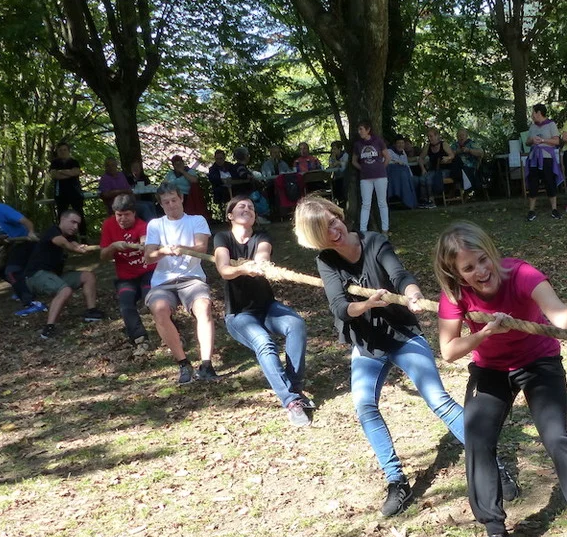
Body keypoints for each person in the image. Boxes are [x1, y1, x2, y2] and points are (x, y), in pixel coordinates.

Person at [432, 221, 567, 537]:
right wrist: (486, 333)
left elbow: (558, 311)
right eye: (468, 267)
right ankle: (496, 535)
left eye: (483, 259)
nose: (481, 271)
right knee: (477, 439)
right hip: (491, 369)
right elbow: (449, 350)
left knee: (557, 439)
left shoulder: (521, 274)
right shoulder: (455, 295)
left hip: (538, 362)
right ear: (456, 272)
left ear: (491, 252)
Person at [293, 196, 469, 516]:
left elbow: (400, 275)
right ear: (316, 237)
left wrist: (413, 294)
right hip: (367, 345)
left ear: (339, 214)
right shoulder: (327, 261)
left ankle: (490, 462)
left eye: (334, 220)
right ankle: (396, 481)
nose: (334, 230)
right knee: (364, 406)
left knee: (438, 399)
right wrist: (367, 304)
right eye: (324, 229)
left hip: (401, 335)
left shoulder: (373, 241)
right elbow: (339, 308)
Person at [214, 195, 314, 427]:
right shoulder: (222, 238)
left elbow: (263, 255)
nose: (247, 209)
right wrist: (242, 269)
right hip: (239, 314)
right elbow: (223, 269)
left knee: (296, 324)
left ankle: (295, 387)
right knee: (264, 343)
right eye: (241, 206)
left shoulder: (262, 236)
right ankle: (291, 401)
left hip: (267, 307)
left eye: (251, 207)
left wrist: (258, 265)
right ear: (230, 215)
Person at [143, 182, 217, 384]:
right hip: (163, 282)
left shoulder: (197, 220)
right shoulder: (155, 225)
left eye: (174, 200)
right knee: (159, 309)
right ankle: (183, 363)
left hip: (192, 278)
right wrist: (163, 251)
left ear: (181, 199)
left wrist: (183, 248)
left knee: (203, 307)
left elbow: (201, 248)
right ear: (161, 204)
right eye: (166, 202)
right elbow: (148, 257)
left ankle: (206, 364)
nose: (171, 205)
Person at [25, 208, 105, 339]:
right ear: (62, 219)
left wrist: (79, 247)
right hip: (36, 276)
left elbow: (73, 243)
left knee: (88, 276)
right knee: (65, 290)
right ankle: (48, 328)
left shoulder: (69, 237)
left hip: (54, 276)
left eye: (78, 224)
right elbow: (62, 242)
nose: (75, 227)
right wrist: (75, 248)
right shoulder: (53, 231)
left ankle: (91, 312)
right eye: (73, 222)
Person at [100, 194, 156, 354]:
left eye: (127, 215)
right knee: (125, 304)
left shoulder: (143, 225)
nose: (123, 219)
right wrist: (113, 247)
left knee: (154, 301)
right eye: (119, 215)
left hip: (148, 272)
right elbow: (103, 256)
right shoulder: (108, 225)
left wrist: (143, 244)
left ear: (134, 213)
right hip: (126, 277)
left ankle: (173, 332)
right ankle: (139, 338)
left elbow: (144, 239)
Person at [0, 202, 44, 316]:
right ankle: (21, 287)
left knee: (12, 272)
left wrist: (31, 232)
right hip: (9, 245)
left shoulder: (0, 210)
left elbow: (27, 222)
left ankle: (32, 303)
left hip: (25, 242)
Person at [351, 120, 391, 234]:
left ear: (368, 130)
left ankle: (385, 229)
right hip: (365, 178)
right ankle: (363, 231)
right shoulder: (358, 144)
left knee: (382, 203)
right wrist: (363, 168)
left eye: (361, 129)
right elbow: (354, 161)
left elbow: (387, 157)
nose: (359, 132)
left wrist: (380, 168)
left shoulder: (378, 141)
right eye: (358, 129)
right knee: (366, 204)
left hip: (380, 177)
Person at [525, 104, 562, 222]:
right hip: (534, 158)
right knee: (533, 182)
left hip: (546, 157)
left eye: (533, 113)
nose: (532, 115)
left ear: (538, 113)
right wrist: (532, 140)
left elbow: (557, 141)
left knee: (549, 181)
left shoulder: (551, 124)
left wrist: (543, 140)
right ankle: (531, 210)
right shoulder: (532, 126)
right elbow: (527, 142)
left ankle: (554, 209)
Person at [417, 127, 454, 209]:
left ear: (437, 136)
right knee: (422, 178)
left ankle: (432, 200)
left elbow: (452, 155)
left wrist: (447, 158)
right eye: (428, 136)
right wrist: (423, 169)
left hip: (444, 169)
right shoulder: (428, 146)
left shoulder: (443, 144)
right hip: (433, 169)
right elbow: (420, 158)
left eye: (431, 136)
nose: (430, 138)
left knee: (429, 178)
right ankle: (424, 200)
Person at [49, 141, 84, 221]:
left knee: (79, 214)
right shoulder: (54, 163)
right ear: (57, 152)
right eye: (60, 150)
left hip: (75, 192)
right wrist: (70, 173)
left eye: (65, 150)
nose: (63, 152)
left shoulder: (74, 162)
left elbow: (76, 172)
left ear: (68, 151)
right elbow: (54, 175)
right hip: (60, 194)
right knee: (62, 216)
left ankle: (82, 229)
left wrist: (61, 171)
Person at [387, 135, 418, 209]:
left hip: (404, 174)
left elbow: (406, 165)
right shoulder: (389, 151)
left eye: (402, 143)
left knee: (415, 180)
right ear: (395, 144)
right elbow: (386, 162)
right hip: (393, 176)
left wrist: (411, 176)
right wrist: (395, 162)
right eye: (398, 143)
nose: (400, 145)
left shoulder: (403, 152)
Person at [450, 128, 484, 193]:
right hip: (457, 168)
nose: (461, 137)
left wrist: (469, 150)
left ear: (466, 136)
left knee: (459, 170)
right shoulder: (454, 145)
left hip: (470, 167)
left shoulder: (471, 143)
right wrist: (458, 151)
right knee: (455, 162)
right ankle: (456, 188)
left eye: (462, 135)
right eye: (459, 136)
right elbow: (449, 154)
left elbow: (481, 153)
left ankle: (460, 188)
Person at [327, 141, 349, 205]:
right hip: (336, 177)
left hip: (345, 176)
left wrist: (338, 163)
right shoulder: (332, 157)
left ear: (339, 149)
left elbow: (344, 166)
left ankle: (343, 201)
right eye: (332, 149)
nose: (333, 151)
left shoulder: (345, 155)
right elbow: (331, 167)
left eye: (335, 149)